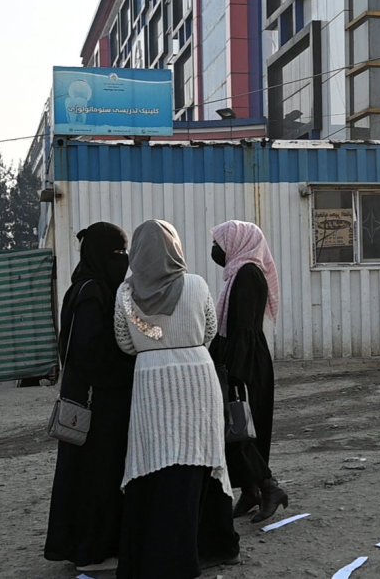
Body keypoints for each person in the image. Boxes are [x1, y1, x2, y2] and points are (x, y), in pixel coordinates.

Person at [113, 220, 239, 578]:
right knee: (194, 465)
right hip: (197, 376)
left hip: (151, 381)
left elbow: (123, 342)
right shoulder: (196, 284)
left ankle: (153, 555)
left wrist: (154, 345)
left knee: (154, 466)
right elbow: (210, 330)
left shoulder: (125, 293)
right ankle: (199, 548)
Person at [44, 222, 135, 573]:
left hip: (91, 399)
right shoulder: (93, 291)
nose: (123, 260)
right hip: (97, 404)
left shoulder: (84, 287)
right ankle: (91, 548)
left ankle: (88, 545)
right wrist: (128, 367)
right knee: (97, 476)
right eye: (117, 253)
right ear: (102, 255)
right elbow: (87, 352)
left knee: (90, 476)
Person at [208, 220, 288, 523]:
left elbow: (243, 329)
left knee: (240, 429)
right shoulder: (238, 274)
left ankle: (269, 488)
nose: (216, 250)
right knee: (238, 429)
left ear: (237, 243)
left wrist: (232, 372)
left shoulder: (248, 275)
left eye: (221, 242)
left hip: (246, 364)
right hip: (243, 359)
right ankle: (251, 491)